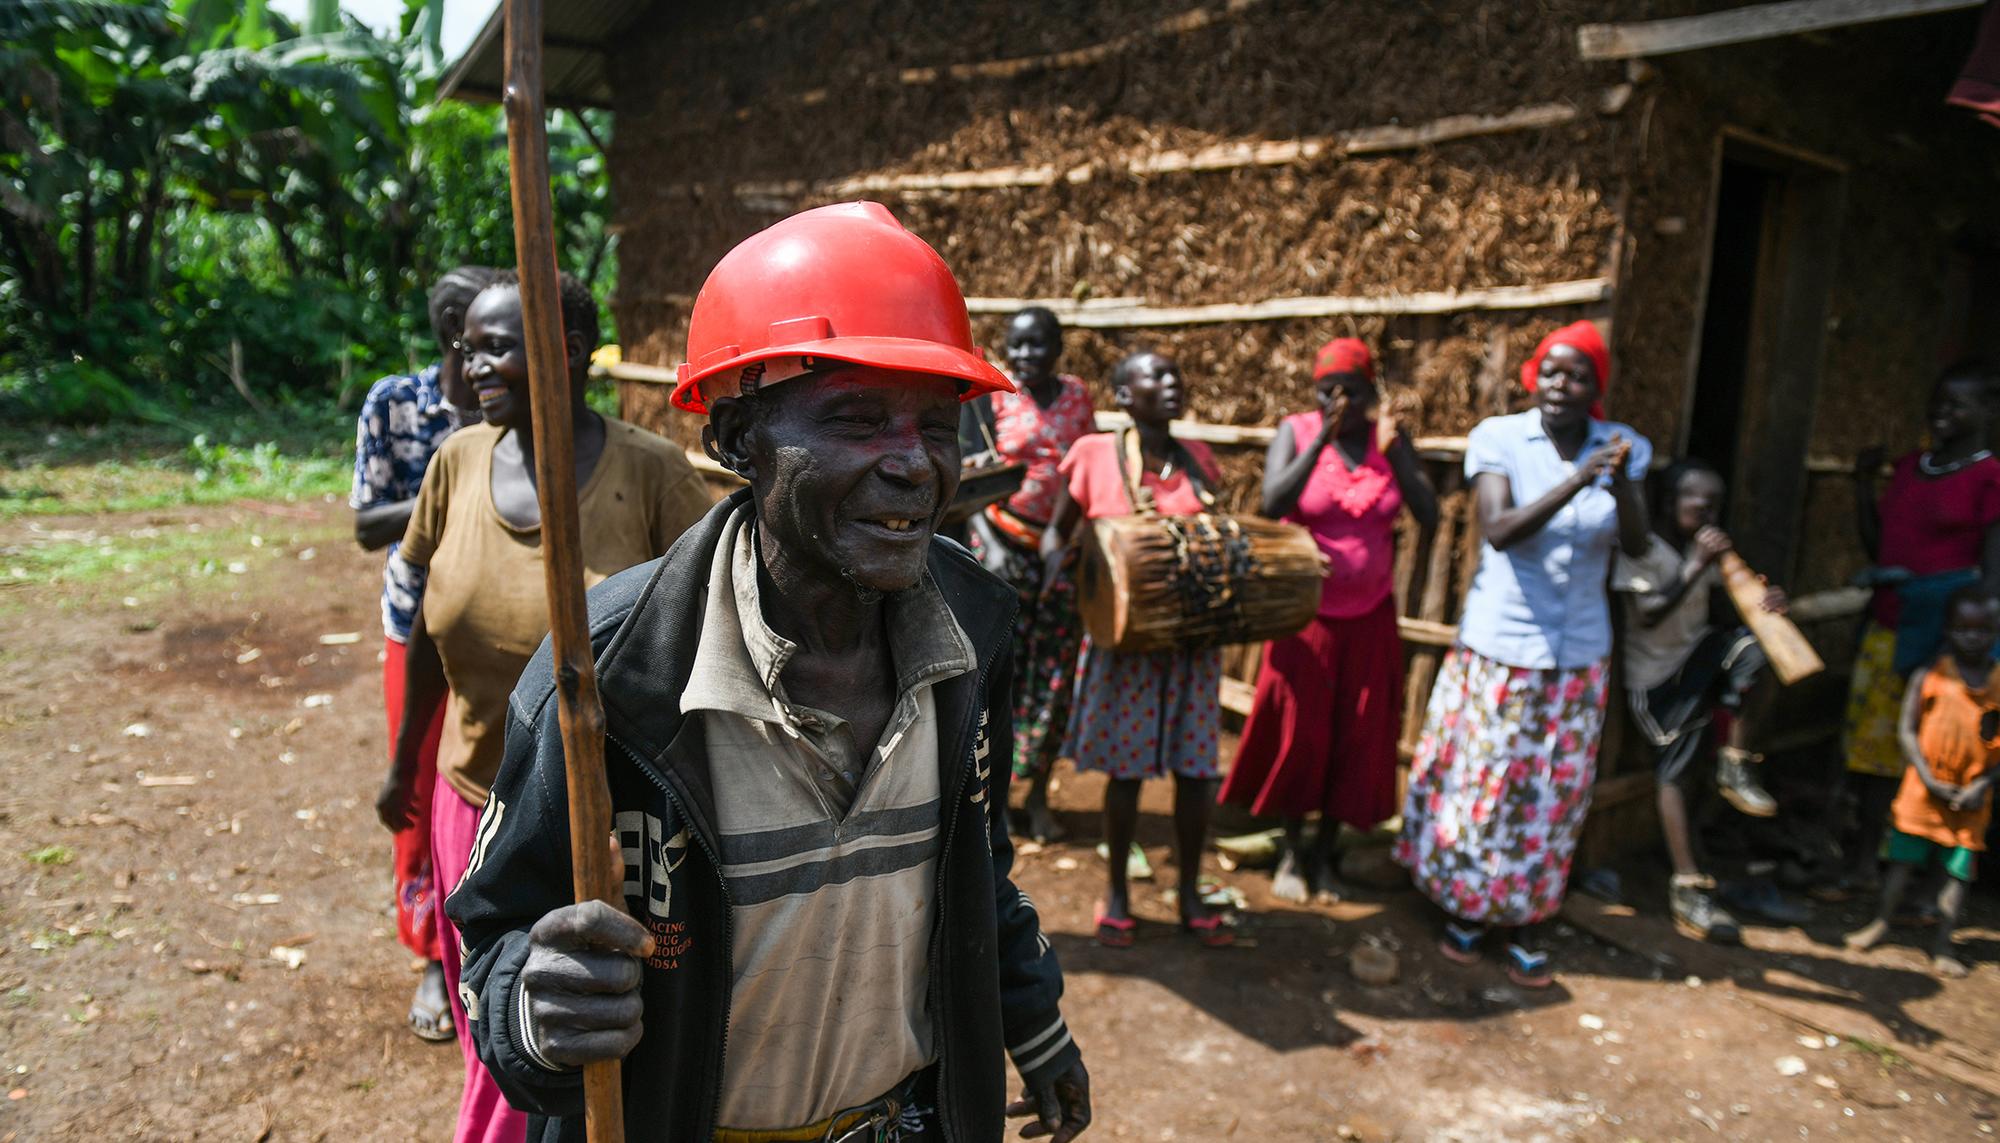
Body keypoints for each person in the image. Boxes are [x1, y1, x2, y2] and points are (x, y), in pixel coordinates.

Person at [444, 203, 1091, 1142]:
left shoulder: (970, 629)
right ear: (737, 439)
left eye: (937, 423)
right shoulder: (612, 676)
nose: (914, 462)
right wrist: (533, 1010)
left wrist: (1034, 1024)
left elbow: (975, 865)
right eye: (859, 419)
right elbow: (494, 930)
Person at [375, 270, 712, 1143]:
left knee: (580, 1035)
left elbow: (708, 637)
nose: (470, 362)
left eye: (494, 345)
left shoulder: (652, 475)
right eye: (467, 345)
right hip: (471, 804)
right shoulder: (457, 462)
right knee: (496, 1012)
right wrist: (402, 764)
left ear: (563, 353)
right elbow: (422, 635)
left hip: (601, 822)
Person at [1394, 320, 1650, 988]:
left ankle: (1529, 914)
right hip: (1502, 645)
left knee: (1552, 794)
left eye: (1579, 376)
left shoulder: (1624, 448)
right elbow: (1501, 529)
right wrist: (1577, 480)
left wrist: (1620, 482)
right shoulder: (1501, 438)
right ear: (1533, 375)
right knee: (1488, 783)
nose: (1563, 386)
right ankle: (1467, 908)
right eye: (1553, 372)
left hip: (1579, 654)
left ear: (1597, 386)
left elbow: (1641, 545)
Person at [1219, 338, 1437, 904]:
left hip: (1370, 617)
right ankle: (1292, 850)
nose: (1340, 400)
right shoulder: (1296, 430)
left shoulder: (1387, 439)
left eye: (1353, 392)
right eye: (1328, 391)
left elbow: (1430, 514)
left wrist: (1400, 453)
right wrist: (1321, 436)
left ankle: (1326, 854)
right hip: (1305, 615)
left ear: (1372, 393)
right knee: (1303, 729)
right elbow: (1271, 501)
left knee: (1356, 732)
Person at [349, 264, 499, 1043]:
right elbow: (368, 523)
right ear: (457, 337)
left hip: (496, 635)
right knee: (418, 792)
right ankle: (437, 960)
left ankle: (485, 945)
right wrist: (459, 483)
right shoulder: (396, 404)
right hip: (418, 629)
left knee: (486, 793)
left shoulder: (524, 412)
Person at [1043, 351, 1232, 949]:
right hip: (1125, 645)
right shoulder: (1095, 455)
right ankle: (1119, 890)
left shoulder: (1199, 463)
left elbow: (1214, 543)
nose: (1173, 384)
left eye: (1178, 374)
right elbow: (1060, 527)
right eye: (1157, 377)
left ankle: (1191, 890)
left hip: (1191, 646)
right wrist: (1056, 565)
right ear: (1123, 395)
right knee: (1126, 775)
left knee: (1196, 775)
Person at [1838, 359, 2000, 896]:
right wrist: (1864, 487)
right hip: (1889, 624)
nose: (1943, 412)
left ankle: (1923, 886)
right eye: (1938, 402)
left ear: (1988, 412)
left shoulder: (1989, 477)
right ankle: (1865, 864)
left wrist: (1972, 644)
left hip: (1946, 639)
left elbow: (1992, 572)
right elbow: (1879, 545)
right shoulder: (1910, 468)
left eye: (1958, 403)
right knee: (1871, 751)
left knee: (1938, 751)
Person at [1612, 459, 1789, 943]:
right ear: (1671, 502)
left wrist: (1766, 599)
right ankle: (1687, 885)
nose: (1710, 511)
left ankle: (1735, 759)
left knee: (1755, 649)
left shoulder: (1704, 552)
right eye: (1699, 501)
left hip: (1695, 663)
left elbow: (1724, 612)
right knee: (1676, 769)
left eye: (1716, 503)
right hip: (1656, 682)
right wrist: (1694, 565)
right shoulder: (1643, 549)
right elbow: (1647, 615)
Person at [959, 306, 1097, 844]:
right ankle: (1001, 801)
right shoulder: (992, 398)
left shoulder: (1077, 397)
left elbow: (1086, 466)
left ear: (1058, 347)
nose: (1024, 355)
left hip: (1062, 551)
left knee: (1054, 675)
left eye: (1037, 344)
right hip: (1000, 544)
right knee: (1002, 674)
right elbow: (972, 482)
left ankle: (1039, 792)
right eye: (1016, 346)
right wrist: (990, 545)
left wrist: (1071, 542)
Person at [1845, 586, 2000, 978]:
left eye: (1982, 630)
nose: (1973, 637)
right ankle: (1881, 922)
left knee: (1956, 873)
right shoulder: (1929, 675)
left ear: (1996, 633)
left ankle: (1943, 944)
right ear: (1948, 630)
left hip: (1972, 797)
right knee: (1900, 862)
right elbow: (1907, 731)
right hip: (1921, 790)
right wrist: (1927, 777)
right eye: (1964, 629)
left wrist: (1981, 785)